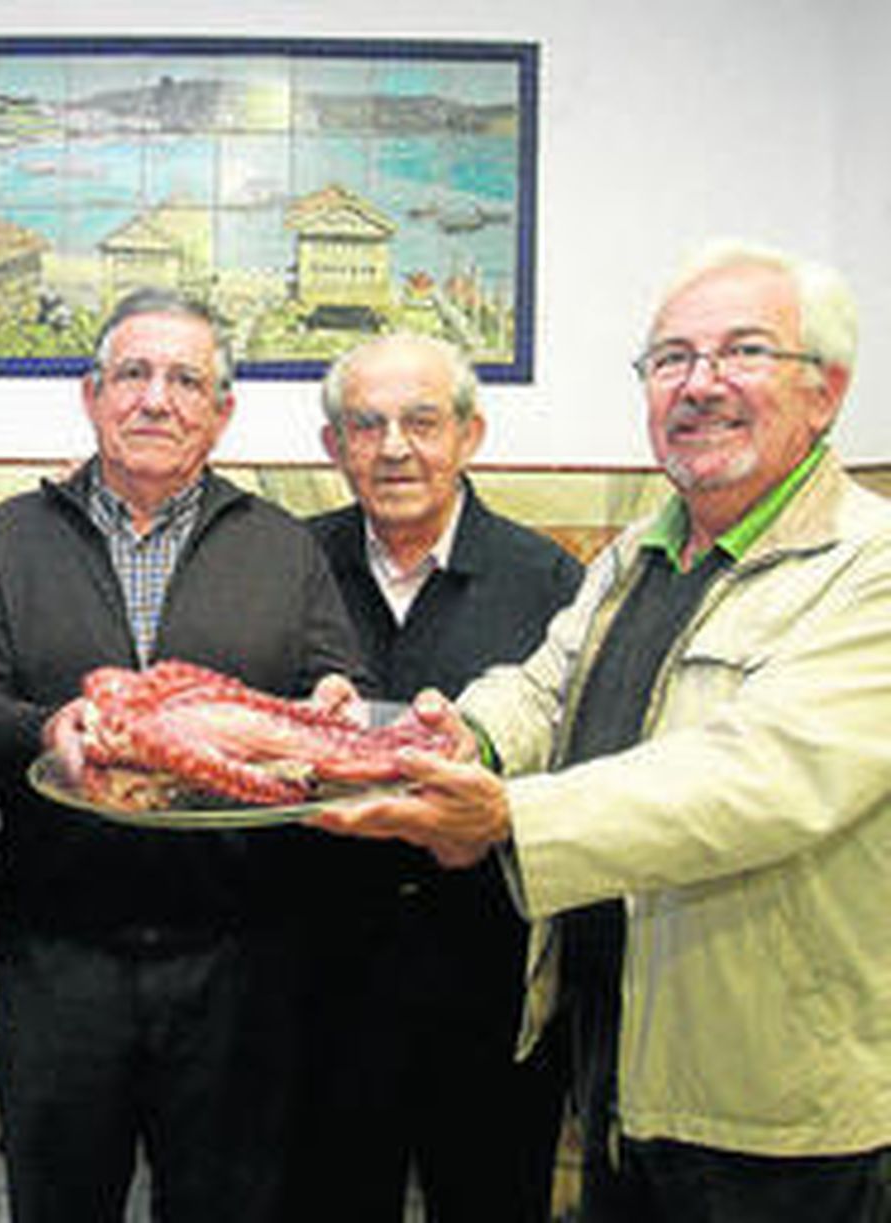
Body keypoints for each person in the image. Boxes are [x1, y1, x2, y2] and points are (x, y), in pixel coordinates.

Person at [314, 240, 891, 1222]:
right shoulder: (641, 550)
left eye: (744, 351)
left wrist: (506, 817)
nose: (699, 384)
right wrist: (459, 736)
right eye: (671, 359)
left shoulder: (866, 567)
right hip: (623, 1060)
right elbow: (546, 688)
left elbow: (752, 778)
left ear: (825, 390)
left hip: (773, 1105)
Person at [0, 287, 368, 1223]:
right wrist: (46, 729)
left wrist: (337, 702)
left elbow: (336, 687)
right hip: (58, 959)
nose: (156, 399)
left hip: (240, 965)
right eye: (133, 374)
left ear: (222, 412)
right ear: (92, 395)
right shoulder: (14, 537)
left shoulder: (281, 546)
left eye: (186, 380)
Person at [289, 332, 581, 1222]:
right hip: (318, 983)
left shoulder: (551, 579)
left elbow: (580, 762)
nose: (394, 448)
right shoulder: (286, 564)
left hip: (488, 979)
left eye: (421, 421)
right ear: (333, 445)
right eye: (365, 425)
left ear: (469, 434)